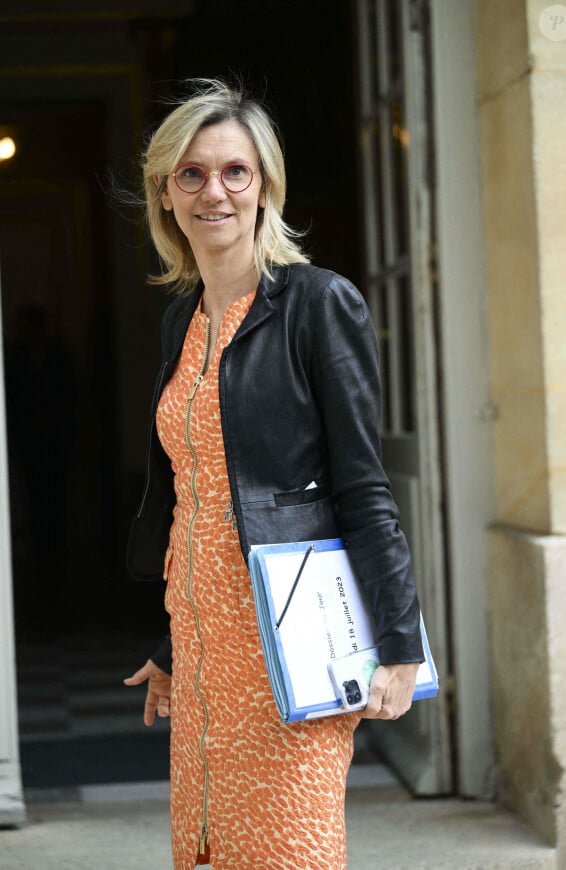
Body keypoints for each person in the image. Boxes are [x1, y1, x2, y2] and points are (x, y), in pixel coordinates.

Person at [124, 78, 422, 870]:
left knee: (289, 852)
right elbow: (206, 498)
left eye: (234, 172)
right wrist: (175, 648)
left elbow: (363, 485)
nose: (212, 191)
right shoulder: (180, 320)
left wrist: (400, 645)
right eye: (189, 174)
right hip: (204, 651)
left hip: (293, 646)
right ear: (165, 193)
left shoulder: (318, 305)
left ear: (265, 187)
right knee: (210, 851)